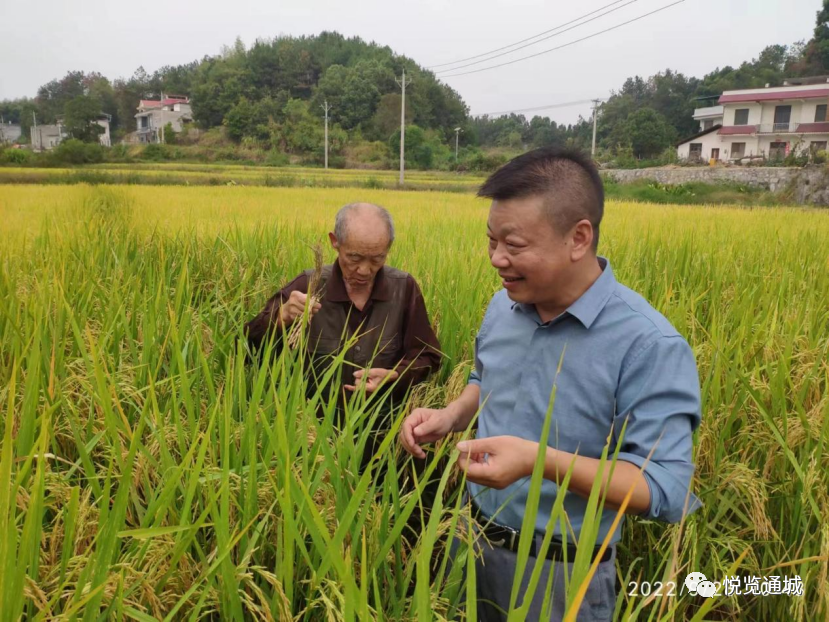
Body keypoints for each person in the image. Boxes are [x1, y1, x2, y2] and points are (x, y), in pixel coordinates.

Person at [399, 147, 702, 621]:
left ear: (578, 237)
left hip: (562, 575)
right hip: (470, 544)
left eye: (515, 245)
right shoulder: (504, 305)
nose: (497, 259)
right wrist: (453, 415)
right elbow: (486, 377)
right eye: (491, 240)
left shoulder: (648, 344)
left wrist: (537, 463)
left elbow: (664, 485)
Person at [246, 201, 442, 467]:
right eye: (354, 258)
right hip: (312, 443)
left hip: (384, 441)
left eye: (377, 259)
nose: (364, 270)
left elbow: (428, 355)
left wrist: (396, 374)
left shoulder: (403, 289)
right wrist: (282, 318)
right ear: (334, 242)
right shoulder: (308, 285)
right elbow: (248, 348)